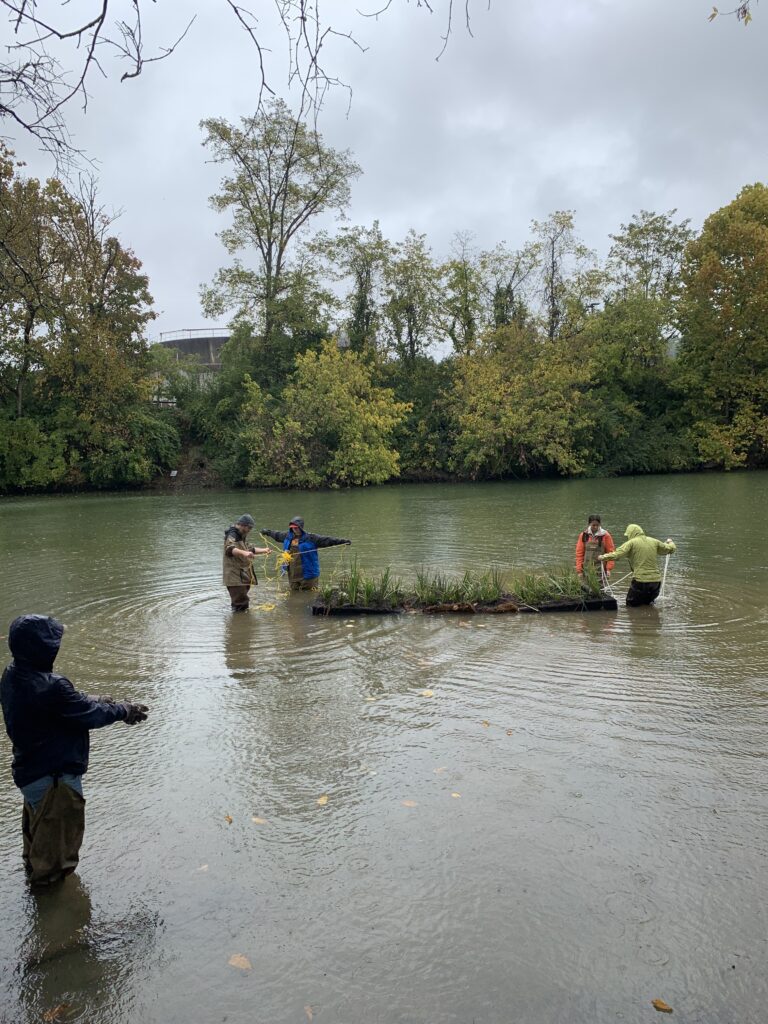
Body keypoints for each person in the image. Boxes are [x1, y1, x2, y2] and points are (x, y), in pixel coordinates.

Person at [0, 614, 149, 886]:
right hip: (54, 781)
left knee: (38, 849)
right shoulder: (52, 687)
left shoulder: (12, 674)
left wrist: (93, 700)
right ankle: (57, 921)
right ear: (42, 648)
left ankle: (38, 900)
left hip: (31, 774)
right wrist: (124, 710)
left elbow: (68, 707)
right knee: (55, 865)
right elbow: (87, 713)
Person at [261, 516, 351, 590]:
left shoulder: (312, 538)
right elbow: (276, 535)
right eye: (292, 528)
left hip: (309, 574)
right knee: (294, 595)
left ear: (301, 527)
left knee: (309, 596)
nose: (295, 530)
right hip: (292, 574)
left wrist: (343, 541)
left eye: (296, 528)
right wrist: (267, 532)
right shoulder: (287, 536)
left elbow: (328, 540)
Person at [599, 524, 676, 606]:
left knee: (631, 605)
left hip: (640, 581)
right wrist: (670, 542)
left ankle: (636, 618)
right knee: (648, 604)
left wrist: (602, 557)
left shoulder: (631, 543)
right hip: (656, 582)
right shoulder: (654, 541)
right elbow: (670, 549)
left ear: (631, 533)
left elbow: (617, 554)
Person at [223, 513, 270, 611]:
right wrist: (244, 553)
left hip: (241, 575)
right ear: (243, 525)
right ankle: (239, 623)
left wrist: (264, 550)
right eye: (249, 528)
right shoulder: (232, 535)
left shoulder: (241, 535)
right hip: (234, 576)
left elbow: (250, 549)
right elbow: (230, 550)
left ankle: (240, 622)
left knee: (241, 602)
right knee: (241, 603)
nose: (249, 531)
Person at [576, 514, 615, 579]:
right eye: (593, 525)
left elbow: (611, 553)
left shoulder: (606, 535)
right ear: (589, 524)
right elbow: (579, 553)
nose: (596, 527)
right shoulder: (583, 535)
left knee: (600, 588)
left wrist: (608, 569)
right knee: (585, 588)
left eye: (597, 525)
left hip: (601, 570)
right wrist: (579, 570)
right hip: (586, 569)